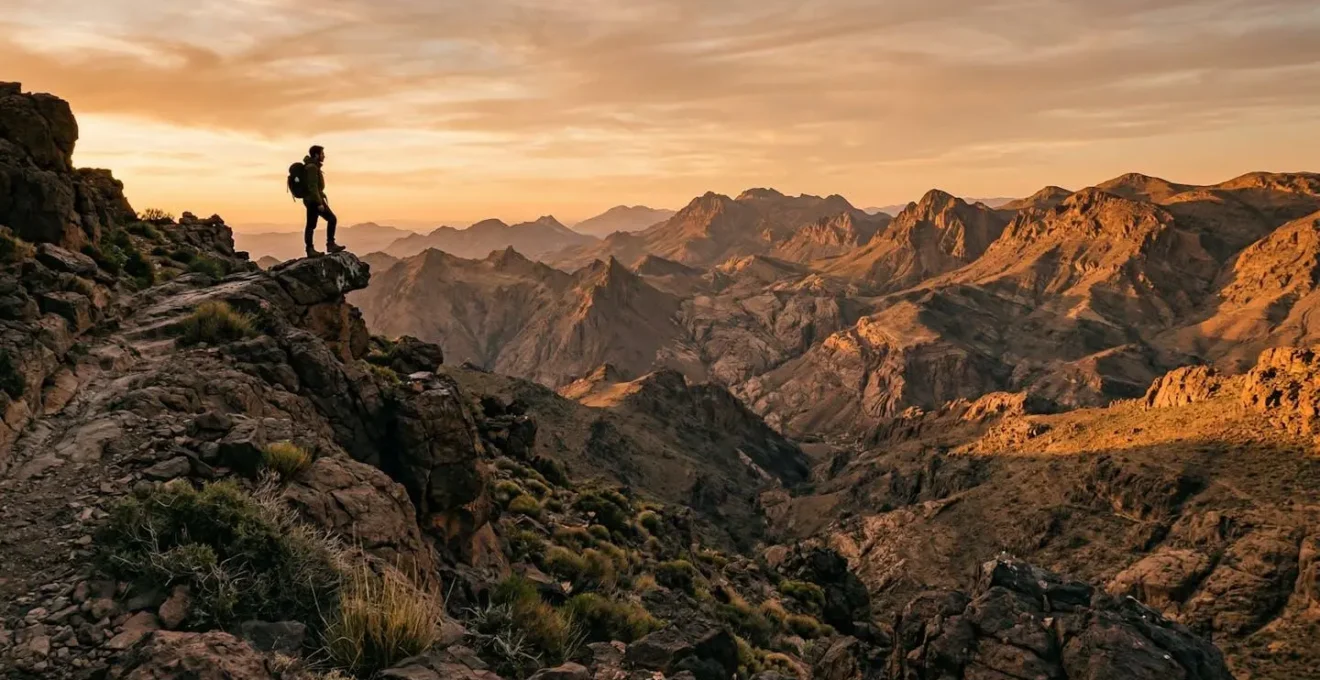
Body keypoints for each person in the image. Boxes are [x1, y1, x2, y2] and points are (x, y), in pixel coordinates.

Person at [302, 145, 345, 257]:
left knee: (311, 224)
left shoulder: (312, 166)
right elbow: (312, 186)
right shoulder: (312, 167)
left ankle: (312, 249)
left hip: (312, 199)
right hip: (314, 200)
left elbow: (315, 187)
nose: (324, 156)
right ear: (316, 155)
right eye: (322, 154)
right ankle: (328, 245)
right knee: (331, 219)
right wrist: (319, 203)